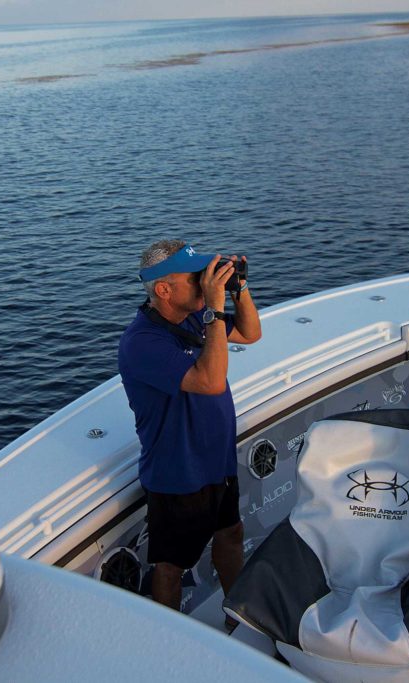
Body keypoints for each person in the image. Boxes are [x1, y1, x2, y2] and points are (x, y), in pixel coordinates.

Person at [118, 239, 262, 622]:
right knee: (171, 567)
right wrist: (213, 306)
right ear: (164, 290)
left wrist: (239, 289)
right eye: (194, 278)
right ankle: (172, 639)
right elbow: (210, 382)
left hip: (217, 460)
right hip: (179, 472)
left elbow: (250, 334)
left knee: (230, 534)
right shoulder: (142, 343)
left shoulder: (196, 318)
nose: (203, 283)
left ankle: (239, 618)